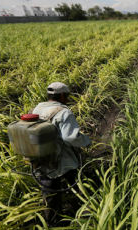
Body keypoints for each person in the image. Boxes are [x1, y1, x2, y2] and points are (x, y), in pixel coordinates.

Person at [31, 82, 91, 225]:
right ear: (62, 95)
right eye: (67, 96)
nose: (68, 99)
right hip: (61, 159)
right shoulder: (63, 112)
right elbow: (70, 137)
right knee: (77, 182)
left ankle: (51, 221)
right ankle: (85, 212)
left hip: (40, 157)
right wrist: (86, 141)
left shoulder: (38, 108)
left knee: (49, 191)